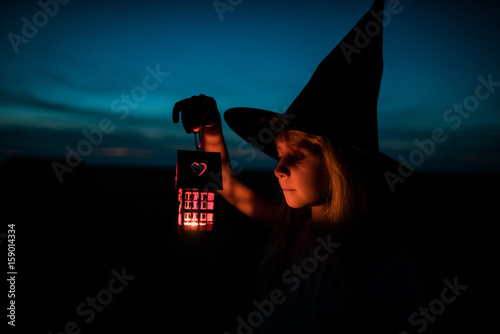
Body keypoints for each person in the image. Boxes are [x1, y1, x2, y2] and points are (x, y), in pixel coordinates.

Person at [173, 0, 427, 332]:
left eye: (297, 155)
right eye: (279, 154)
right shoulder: (294, 232)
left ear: (341, 165)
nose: (278, 170)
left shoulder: (385, 271)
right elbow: (226, 186)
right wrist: (210, 127)